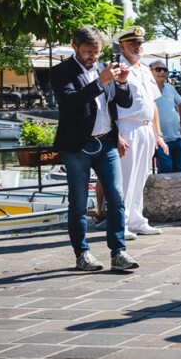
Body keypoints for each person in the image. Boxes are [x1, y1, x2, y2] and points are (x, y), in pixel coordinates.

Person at [50, 27, 137, 272]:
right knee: (78, 203)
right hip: (78, 145)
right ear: (74, 46)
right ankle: (82, 253)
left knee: (116, 198)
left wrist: (121, 83)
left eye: (96, 52)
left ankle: (118, 252)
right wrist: (101, 82)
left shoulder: (104, 69)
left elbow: (123, 103)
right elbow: (69, 103)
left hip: (106, 142)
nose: (93, 57)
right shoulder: (61, 72)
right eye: (88, 52)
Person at [115, 26, 165, 236]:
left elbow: (152, 104)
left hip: (145, 128)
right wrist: (115, 134)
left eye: (140, 43)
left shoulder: (145, 69)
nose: (137, 46)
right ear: (122, 45)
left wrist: (158, 134)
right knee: (126, 178)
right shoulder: (117, 68)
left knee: (141, 176)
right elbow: (110, 104)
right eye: (132, 43)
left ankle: (137, 219)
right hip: (126, 126)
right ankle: (121, 223)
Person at [150, 59, 181, 173]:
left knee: (178, 171)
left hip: (176, 137)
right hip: (160, 140)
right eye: (158, 69)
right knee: (166, 169)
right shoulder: (146, 89)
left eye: (165, 70)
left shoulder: (170, 88)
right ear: (150, 72)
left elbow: (180, 103)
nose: (162, 72)